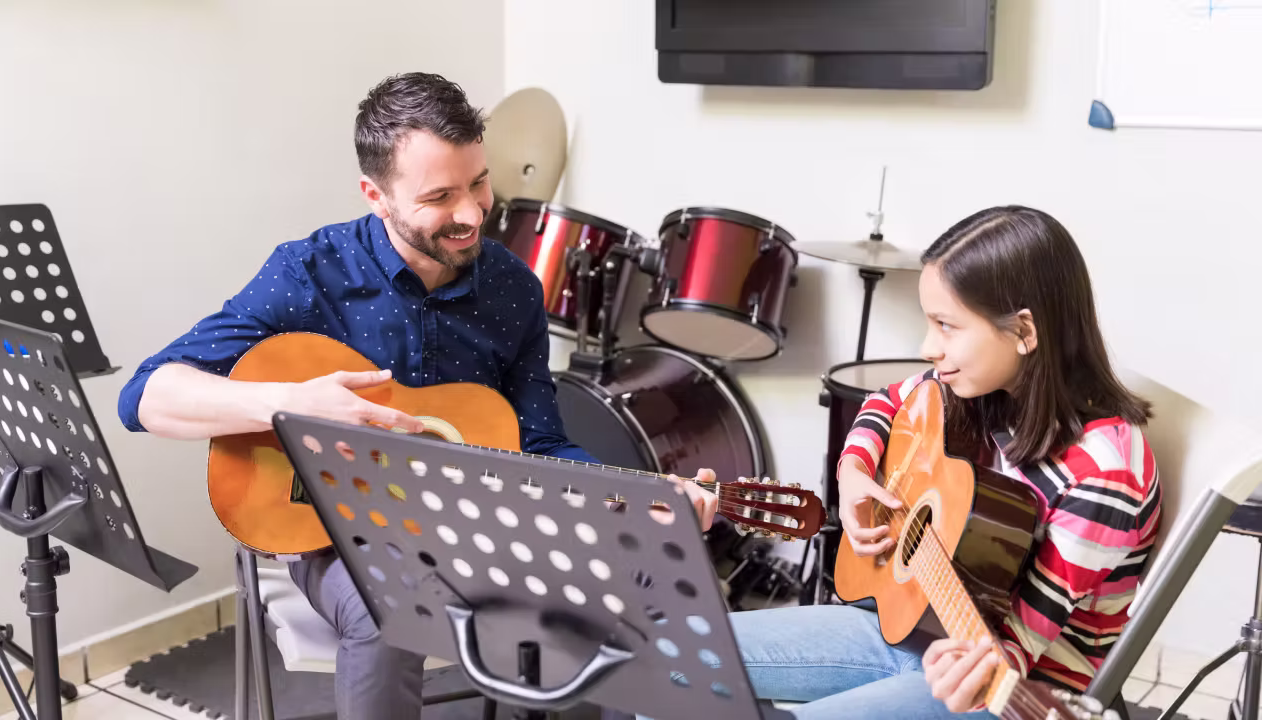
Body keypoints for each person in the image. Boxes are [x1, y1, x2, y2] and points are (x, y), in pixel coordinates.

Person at [116, 72, 716, 720]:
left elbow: (538, 443)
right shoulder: (309, 272)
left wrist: (640, 497)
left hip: (480, 529)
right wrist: (290, 405)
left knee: (633, 574)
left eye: (479, 182)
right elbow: (144, 395)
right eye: (440, 196)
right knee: (389, 607)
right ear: (376, 194)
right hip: (336, 538)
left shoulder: (514, 289)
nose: (472, 213)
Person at [668, 205, 1162, 719]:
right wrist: (854, 473)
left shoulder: (1105, 474)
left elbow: (1012, 648)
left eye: (946, 325)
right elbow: (886, 401)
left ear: (1024, 331)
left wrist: (983, 666)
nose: (928, 347)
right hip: (911, 632)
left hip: (998, 686)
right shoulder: (978, 388)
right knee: (671, 660)